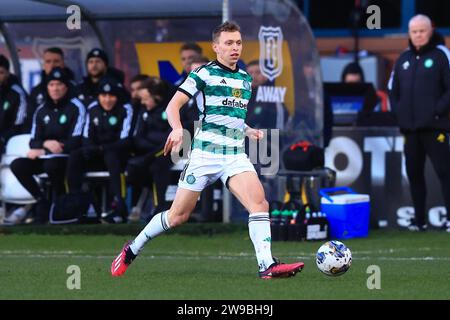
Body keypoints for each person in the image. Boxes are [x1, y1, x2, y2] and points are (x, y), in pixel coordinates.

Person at [111, 21, 305, 279]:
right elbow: (173, 106)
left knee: (259, 204)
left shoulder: (245, 79)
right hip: (205, 154)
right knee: (177, 216)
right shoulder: (203, 74)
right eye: (228, 43)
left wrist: (248, 130)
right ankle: (132, 249)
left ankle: (266, 265)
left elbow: (229, 116)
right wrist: (178, 128)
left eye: (238, 42)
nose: (235, 47)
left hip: (235, 154)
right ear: (216, 47)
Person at [388, 14, 450, 232]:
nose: (418, 35)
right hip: (410, 129)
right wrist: (400, 114)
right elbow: (392, 90)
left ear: (430, 30)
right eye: (414, 31)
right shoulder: (403, 58)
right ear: (409, 33)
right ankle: (420, 221)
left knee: (445, 172)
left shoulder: (442, 55)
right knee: (414, 174)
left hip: (435, 127)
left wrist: (436, 111)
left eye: (422, 31)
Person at [10, 67, 85, 224]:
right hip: (45, 156)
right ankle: (41, 200)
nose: (55, 89)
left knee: (52, 165)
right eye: (51, 85)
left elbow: (76, 139)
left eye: (59, 85)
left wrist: (57, 146)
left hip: (66, 157)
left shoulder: (76, 107)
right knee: (17, 165)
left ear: (66, 87)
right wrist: (44, 145)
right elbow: (33, 140)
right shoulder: (41, 110)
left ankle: (60, 204)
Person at [67, 76, 133, 224]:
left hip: (117, 155)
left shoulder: (125, 110)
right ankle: (74, 205)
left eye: (111, 96)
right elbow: (86, 136)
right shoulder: (92, 109)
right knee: (75, 156)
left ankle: (120, 208)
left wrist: (103, 148)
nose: (107, 100)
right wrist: (92, 148)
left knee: (112, 156)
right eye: (103, 96)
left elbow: (125, 140)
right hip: (96, 153)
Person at [126, 77, 172, 221]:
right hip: (150, 152)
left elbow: (168, 137)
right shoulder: (143, 111)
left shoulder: (169, 110)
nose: (143, 102)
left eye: (146, 98)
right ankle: (138, 207)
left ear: (157, 97)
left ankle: (159, 209)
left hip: (168, 152)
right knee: (135, 166)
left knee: (156, 166)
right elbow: (139, 137)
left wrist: (152, 142)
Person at [24, 47, 76, 133]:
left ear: (63, 63)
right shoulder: (36, 91)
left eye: (56, 61)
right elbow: (29, 120)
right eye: (48, 61)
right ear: (43, 65)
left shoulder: (74, 88)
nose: (52, 65)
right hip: (40, 139)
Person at [0, 54, 28, 154]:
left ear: (8, 73)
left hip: (8, 139)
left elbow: (18, 124)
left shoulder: (17, 94)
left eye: (1, 73)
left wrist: (3, 137)